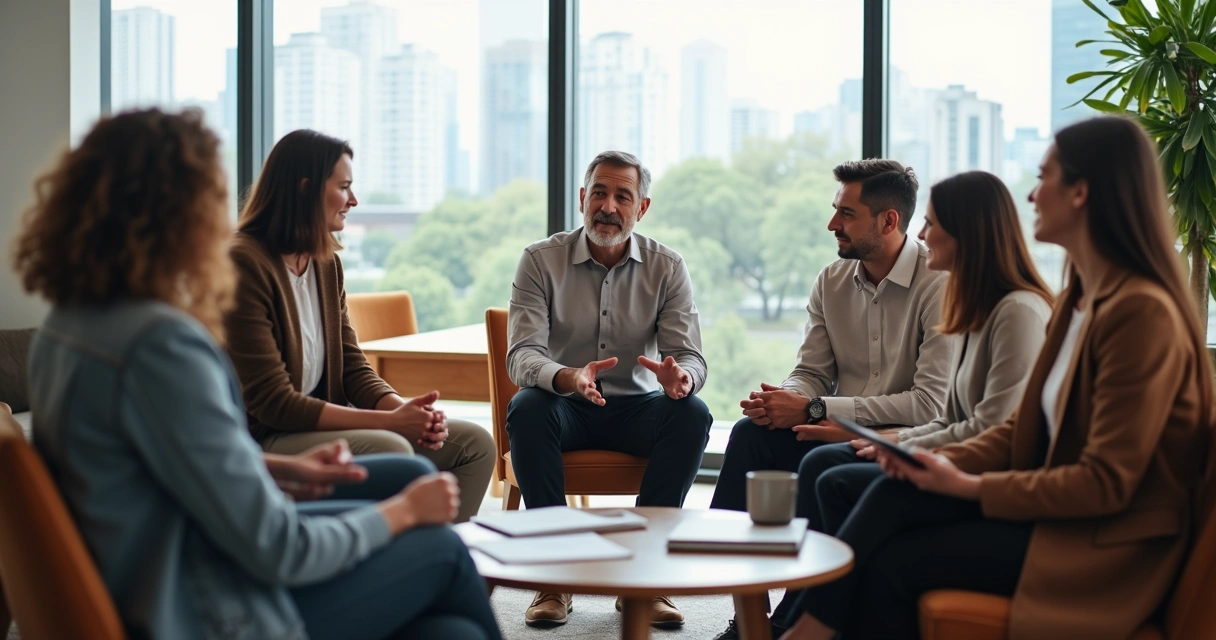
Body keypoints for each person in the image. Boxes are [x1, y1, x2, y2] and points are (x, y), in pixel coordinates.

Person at [12, 108, 502, 640]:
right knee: (440, 549)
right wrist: (402, 514)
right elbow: (280, 547)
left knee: (452, 630)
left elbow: (166, 461)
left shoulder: (65, 328)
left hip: (174, 565)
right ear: (182, 212)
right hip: (206, 607)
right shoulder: (162, 347)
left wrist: (284, 470)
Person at [780, 115, 1214, 640]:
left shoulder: (1139, 312)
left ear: (1081, 192)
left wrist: (968, 483)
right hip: (1058, 517)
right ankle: (803, 628)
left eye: (1044, 177)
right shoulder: (1079, 299)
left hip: (1103, 542)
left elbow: (1105, 482)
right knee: (884, 503)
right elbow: (1017, 429)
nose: (1030, 195)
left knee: (890, 548)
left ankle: (803, 630)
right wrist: (924, 456)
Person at [760, 170, 1054, 634]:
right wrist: (896, 444)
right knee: (816, 462)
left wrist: (904, 446)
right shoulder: (979, 309)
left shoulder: (1016, 311)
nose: (921, 235)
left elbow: (991, 429)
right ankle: (781, 611)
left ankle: (805, 625)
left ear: (967, 233)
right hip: (942, 450)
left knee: (847, 480)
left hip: (986, 478)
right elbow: (955, 418)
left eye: (932, 224)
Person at [711, 158, 954, 640]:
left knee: (821, 463)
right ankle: (749, 616)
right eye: (835, 210)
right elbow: (812, 373)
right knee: (750, 434)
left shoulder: (939, 282)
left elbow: (929, 403)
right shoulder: (831, 280)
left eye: (846, 214)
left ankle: (792, 620)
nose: (832, 224)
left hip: (896, 439)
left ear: (888, 221)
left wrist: (817, 408)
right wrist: (784, 400)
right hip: (829, 426)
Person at [224, 129, 494, 523]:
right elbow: (274, 403)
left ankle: (438, 555)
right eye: (344, 187)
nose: (353, 200)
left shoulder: (325, 264)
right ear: (305, 189)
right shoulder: (244, 263)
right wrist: (390, 423)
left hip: (318, 429)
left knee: (475, 445)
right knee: (390, 448)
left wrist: (408, 413)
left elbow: (352, 367)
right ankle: (391, 552)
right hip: (266, 437)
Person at [506, 150, 713, 628]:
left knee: (693, 413)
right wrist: (568, 376)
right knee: (527, 407)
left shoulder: (668, 266)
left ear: (642, 208)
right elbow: (522, 356)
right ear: (582, 198)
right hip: (564, 404)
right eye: (599, 193)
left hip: (639, 409)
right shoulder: (539, 260)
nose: (609, 206)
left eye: (623, 196)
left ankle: (646, 576)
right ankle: (554, 577)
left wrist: (682, 379)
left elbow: (691, 357)